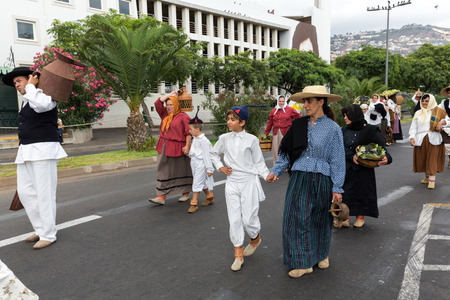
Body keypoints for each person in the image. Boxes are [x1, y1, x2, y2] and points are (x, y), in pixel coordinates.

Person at [266, 85, 345, 279]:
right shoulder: (298, 125)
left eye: (309, 101)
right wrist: (275, 171)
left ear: (321, 102)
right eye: (304, 101)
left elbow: (337, 159)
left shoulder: (333, 128)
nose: (305, 104)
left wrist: (337, 187)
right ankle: (303, 262)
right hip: (299, 176)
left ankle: (321, 254)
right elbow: (286, 152)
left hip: (322, 179)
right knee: (296, 219)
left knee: (320, 218)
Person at [2, 66, 67, 250]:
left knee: (44, 195)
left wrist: (31, 87)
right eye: (14, 83)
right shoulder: (27, 99)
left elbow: (42, 107)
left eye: (19, 81)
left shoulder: (45, 96)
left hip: (44, 151)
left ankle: (48, 234)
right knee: (25, 192)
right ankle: (40, 229)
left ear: (32, 79)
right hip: (27, 151)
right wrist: (29, 89)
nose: (16, 85)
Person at [210, 105, 270, 272]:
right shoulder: (224, 138)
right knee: (234, 219)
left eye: (233, 119)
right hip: (232, 183)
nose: (229, 122)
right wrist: (220, 167)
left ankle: (255, 238)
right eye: (228, 119)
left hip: (249, 182)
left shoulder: (252, 140)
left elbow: (259, 163)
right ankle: (238, 255)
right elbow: (213, 154)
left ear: (242, 122)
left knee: (249, 219)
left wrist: (267, 176)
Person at [339, 104, 392, 228]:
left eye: (347, 116)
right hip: (347, 168)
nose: (345, 118)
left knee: (362, 192)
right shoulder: (343, 130)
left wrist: (386, 159)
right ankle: (344, 216)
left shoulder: (370, 130)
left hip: (364, 170)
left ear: (355, 116)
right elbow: (340, 148)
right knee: (346, 192)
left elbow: (382, 148)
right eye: (344, 116)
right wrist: (351, 156)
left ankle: (360, 217)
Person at [149, 91, 193, 205]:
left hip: (179, 147)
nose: (168, 107)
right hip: (163, 146)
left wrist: (187, 146)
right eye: (167, 104)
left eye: (171, 104)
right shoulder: (164, 115)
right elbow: (157, 103)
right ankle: (161, 196)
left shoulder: (183, 116)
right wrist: (169, 95)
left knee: (181, 170)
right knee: (163, 170)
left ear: (176, 105)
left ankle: (185, 192)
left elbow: (189, 133)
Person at [409, 94, 447, 189]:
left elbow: (448, 120)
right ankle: (426, 177)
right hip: (421, 139)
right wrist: (412, 137)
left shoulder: (438, 111)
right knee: (423, 158)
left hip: (434, 138)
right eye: (423, 101)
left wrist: (441, 123)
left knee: (432, 159)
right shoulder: (418, 112)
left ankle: (432, 180)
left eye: (427, 101)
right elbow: (414, 126)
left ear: (431, 101)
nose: (425, 103)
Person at [186, 112, 214, 214]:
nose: (189, 131)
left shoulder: (204, 141)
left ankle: (194, 204)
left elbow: (207, 156)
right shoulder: (196, 138)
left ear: (197, 129)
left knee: (197, 183)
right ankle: (210, 197)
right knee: (201, 182)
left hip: (201, 164)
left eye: (190, 129)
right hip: (194, 162)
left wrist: (209, 169)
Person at [264, 96, 300, 164]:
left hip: (286, 132)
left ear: (285, 101)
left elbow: (299, 117)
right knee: (276, 149)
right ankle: (277, 164)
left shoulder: (290, 109)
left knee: (286, 148)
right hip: (276, 133)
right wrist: (266, 132)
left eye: (283, 101)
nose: (281, 103)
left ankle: (286, 164)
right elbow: (270, 122)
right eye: (280, 101)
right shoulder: (273, 111)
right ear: (278, 102)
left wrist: (295, 127)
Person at [438, 86, 450, 168]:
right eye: (448, 93)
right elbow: (438, 110)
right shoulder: (444, 102)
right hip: (447, 125)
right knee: (447, 145)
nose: (449, 94)